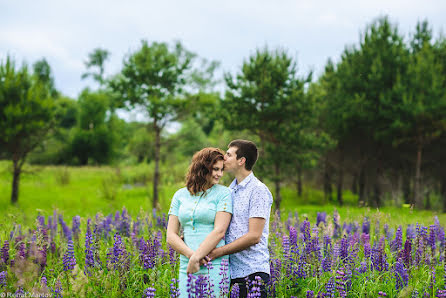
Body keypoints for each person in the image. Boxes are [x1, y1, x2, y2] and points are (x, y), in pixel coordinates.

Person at [209, 139, 273, 297]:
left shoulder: (258, 190)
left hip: (253, 272)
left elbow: (254, 236)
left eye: (229, 154)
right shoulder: (229, 191)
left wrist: (218, 252)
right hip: (230, 273)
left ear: (241, 161)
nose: (224, 157)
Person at [166, 147, 232, 297]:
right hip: (187, 265)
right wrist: (192, 257)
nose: (219, 174)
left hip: (213, 264)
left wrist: (197, 257)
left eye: (222, 170)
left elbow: (220, 231)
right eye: (215, 169)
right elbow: (171, 235)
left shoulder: (224, 194)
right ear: (203, 168)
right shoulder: (180, 195)